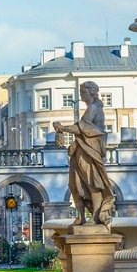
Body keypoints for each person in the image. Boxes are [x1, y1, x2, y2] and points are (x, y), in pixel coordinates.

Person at [55, 80, 114, 225]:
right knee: (75, 184)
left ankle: (95, 217)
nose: (81, 96)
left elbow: (82, 128)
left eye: (83, 92)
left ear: (92, 92)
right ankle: (81, 217)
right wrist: (75, 144)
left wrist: (62, 128)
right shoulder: (92, 107)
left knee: (92, 183)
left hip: (90, 151)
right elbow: (84, 133)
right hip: (82, 149)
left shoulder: (93, 108)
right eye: (80, 93)